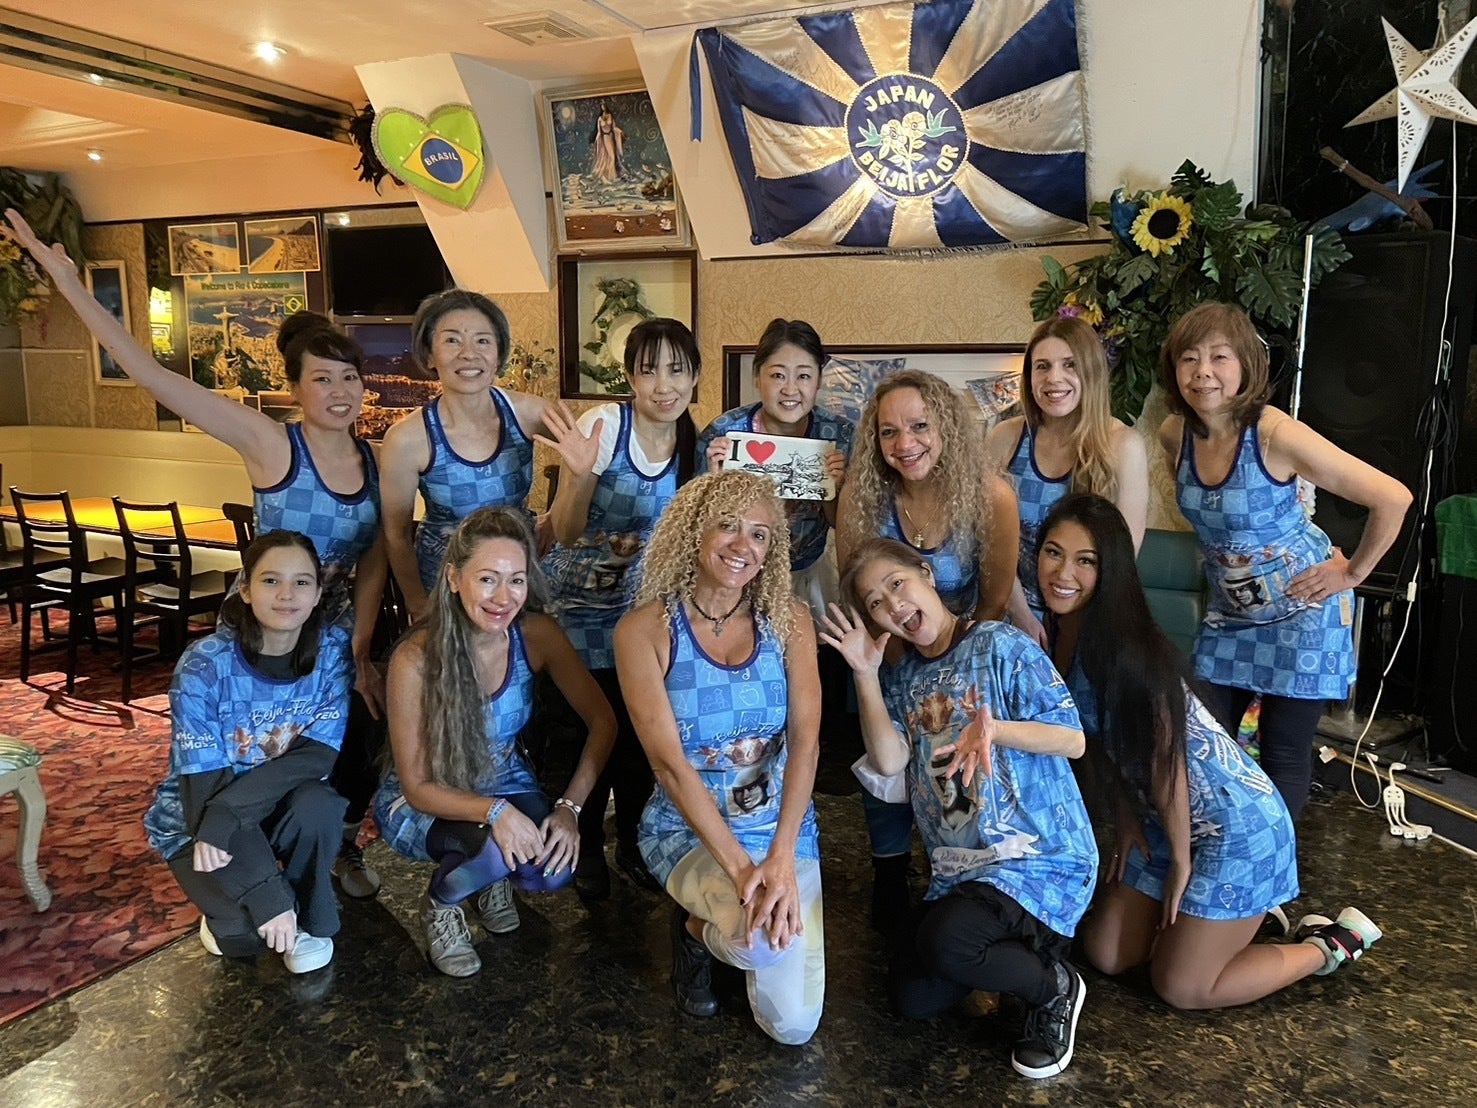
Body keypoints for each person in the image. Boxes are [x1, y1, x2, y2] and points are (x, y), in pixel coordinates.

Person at [7, 208, 392, 900]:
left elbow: (375, 562)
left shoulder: (375, 459)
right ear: (296, 388)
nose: (339, 393)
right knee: (247, 751)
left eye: (349, 379)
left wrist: (361, 648)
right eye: (321, 380)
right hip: (262, 633)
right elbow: (151, 375)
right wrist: (69, 282)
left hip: (333, 635)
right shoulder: (272, 444)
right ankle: (236, 867)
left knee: (355, 743)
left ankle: (333, 848)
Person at [1036, 492, 1382, 1009]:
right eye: (1053, 552)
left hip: (1236, 827)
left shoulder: (1126, 648)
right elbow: (1103, 749)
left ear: (1111, 572)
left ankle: (1329, 944)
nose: (1064, 573)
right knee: (1107, 954)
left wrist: (1180, 861)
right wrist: (1128, 821)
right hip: (1164, 817)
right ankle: (1224, 926)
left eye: (1086, 560)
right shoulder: (1059, 633)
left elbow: (1167, 762)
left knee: (1182, 986)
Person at [820, 538, 1095, 1079]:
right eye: (876, 602)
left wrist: (995, 731)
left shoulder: (1000, 644)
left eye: (897, 584)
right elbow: (891, 761)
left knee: (948, 943)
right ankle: (1010, 959)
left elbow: (1072, 739)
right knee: (912, 996)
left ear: (925, 574)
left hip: (1036, 861)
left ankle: (1054, 987)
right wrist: (865, 675)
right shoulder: (903, 678)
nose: (893, 604)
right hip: (961, 872)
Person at [1157, 302, 1412, 820]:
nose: (1203, 371)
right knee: (1205, 743)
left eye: (1219, 357)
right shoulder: (1173, 434)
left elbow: (1393, 497)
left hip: (1303, 615)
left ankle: (1272, 866)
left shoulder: (1274, 433)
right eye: (1189, 358)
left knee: (1283, 753)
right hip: (1230, 615)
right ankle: (1221, 850)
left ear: (1246, 365)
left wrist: (1353, 573)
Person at [616, 471, 824, 1045]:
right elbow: (668, 766)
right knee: (755, 943)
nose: (743, 545)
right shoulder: (644, 630)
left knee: (794, 1028)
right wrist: (741, 871)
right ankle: (693, 931)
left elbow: (806, 742)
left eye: (759, 534)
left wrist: (780, 858)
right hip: (689, 831)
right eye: (727, 525)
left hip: (781, 828)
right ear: (693, 531)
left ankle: (715, 922)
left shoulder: (791, 621)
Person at [374, 508, 616, 976]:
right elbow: (417, 787)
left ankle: (489, 876)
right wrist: (497, 813)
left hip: (503, 777)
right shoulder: (414, 658)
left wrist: (569, 809)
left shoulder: (536, 635)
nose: (504, 598)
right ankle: (443, 903)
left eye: (516, 580)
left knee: (552, 868)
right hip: (426, 798)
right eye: (487, 579)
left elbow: (602, 720)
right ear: (454, 579)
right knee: (489, 850)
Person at [836, 369, 1021, 927]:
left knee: (955, 770)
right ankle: (889, 868)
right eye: (889, 432)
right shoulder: (863, 497)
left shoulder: (990, 496)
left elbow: (994, 599)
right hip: (890, 653)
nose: (905, 443)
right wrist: (900, 670)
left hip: (963, 654)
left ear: (946, 428)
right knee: (885, 757)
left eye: (919, 426)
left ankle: (965, 867)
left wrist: (945, 666)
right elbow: (860, 594)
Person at [537, 318, 700, 899]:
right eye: (649, 370)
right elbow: (564, 528)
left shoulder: (695, 444)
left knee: (637, 736)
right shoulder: (604, 427)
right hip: (574, 608)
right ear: (630, 377)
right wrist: (580, 474)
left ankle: (633, 843)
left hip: (639, 615)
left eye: (677, 370)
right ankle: (581, 845)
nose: (663, 385)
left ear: (695, 376)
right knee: (581, 727)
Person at [142, 531, 353, 973]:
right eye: (271, 580)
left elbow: (317, 754)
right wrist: (266, 895)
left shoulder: (333, 651)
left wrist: (230, 818)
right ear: (245, 589)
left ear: (318, 594)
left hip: (266, 804)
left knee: (319, 805)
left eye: (301, 582)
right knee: (241, 940)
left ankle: (307, 912)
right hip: (197, 814)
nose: (286, 594)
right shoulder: (204, 664)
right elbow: (203, 786)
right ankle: (253, 905)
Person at [379, 289, 552, 621]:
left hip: (515, 579)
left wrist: (556, 518)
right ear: (429, 355)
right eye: (452, 341)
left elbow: (591, 456)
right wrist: (417, 604)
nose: (469, 354)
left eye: (483, 341)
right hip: (444, 587)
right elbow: (397, 535)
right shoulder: (406, 439)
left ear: (499, 353)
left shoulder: (529, 413)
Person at [985, 315, 1148, 640]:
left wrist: (1075, 632)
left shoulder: (1123, 446)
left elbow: (1120, 559)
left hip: (1090, 617)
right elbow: (988, 542)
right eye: (1042, 366)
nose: (1054, 378)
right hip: (1013, 612)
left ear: (1092, 371)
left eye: (1070, 365)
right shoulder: (1005, 438)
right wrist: (1021, 615)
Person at [698, 318, 852, 612]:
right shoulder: (724, 434)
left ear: (819, 380)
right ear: (757, 377)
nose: (790, 389)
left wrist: (835, 488)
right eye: (778, 375)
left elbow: (841, 525)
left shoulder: (840, 435)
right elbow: (702, 528)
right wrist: (715, 482)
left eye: (804, 376)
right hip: (738, 572)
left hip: (808, 571)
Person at [590, 102, 623, 184]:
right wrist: (597, 140)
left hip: (611, 137)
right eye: (602, 106)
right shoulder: (600, 119)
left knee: (612, 157)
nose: (603, 107)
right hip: (605, 138)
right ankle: (611, 176)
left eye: (604, 106)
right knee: (611, 156)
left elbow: (613, 127)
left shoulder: (610, 116)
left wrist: (619, 132)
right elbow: (599, 131)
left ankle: (612, 176)